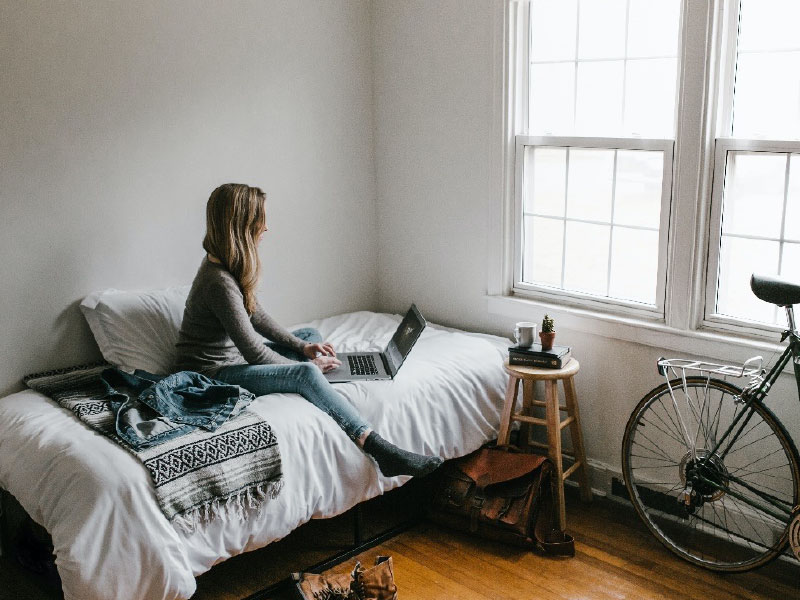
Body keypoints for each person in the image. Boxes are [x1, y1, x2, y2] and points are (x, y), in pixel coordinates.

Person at [174, 183, 443, 478]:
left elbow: (257, 316)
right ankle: (377, 447)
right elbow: (253, 350)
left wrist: (302, 349)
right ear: (242, 226)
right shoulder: (219, 283)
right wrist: (306, 366)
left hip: (234, 359)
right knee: (306, 373)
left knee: (308, 337)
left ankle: (311, 374)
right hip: (211, 374)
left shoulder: (227, 265)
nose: (267, 228)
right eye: (260, 220)